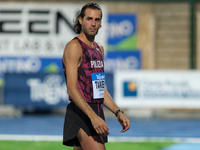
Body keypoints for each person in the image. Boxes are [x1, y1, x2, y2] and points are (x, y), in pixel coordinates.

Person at [62, 3, 130, 150]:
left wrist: (118, 113)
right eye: (89, 19)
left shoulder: (100, 49)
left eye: (97, 20)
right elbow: (72, 89)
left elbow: (99, 89)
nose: (93, 23)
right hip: (80, 112)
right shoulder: (74, 47)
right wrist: (93, 117)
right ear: (80, 20)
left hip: (95, 109)